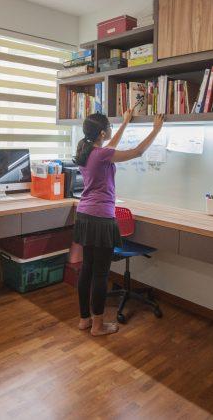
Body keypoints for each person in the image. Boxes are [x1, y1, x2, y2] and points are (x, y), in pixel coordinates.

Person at [73, 109, 164, 335]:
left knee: (87, 270)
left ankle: (85, 319)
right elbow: (138, 151)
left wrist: (124, 123)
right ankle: (98, 325)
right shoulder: (101, 154)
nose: (111, 132)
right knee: (101, 274)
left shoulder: (86, 150)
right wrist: (156, 129)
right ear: (102, 133)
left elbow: (110, 144)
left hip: (84, 215)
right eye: (110, 129)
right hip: (101, 218)